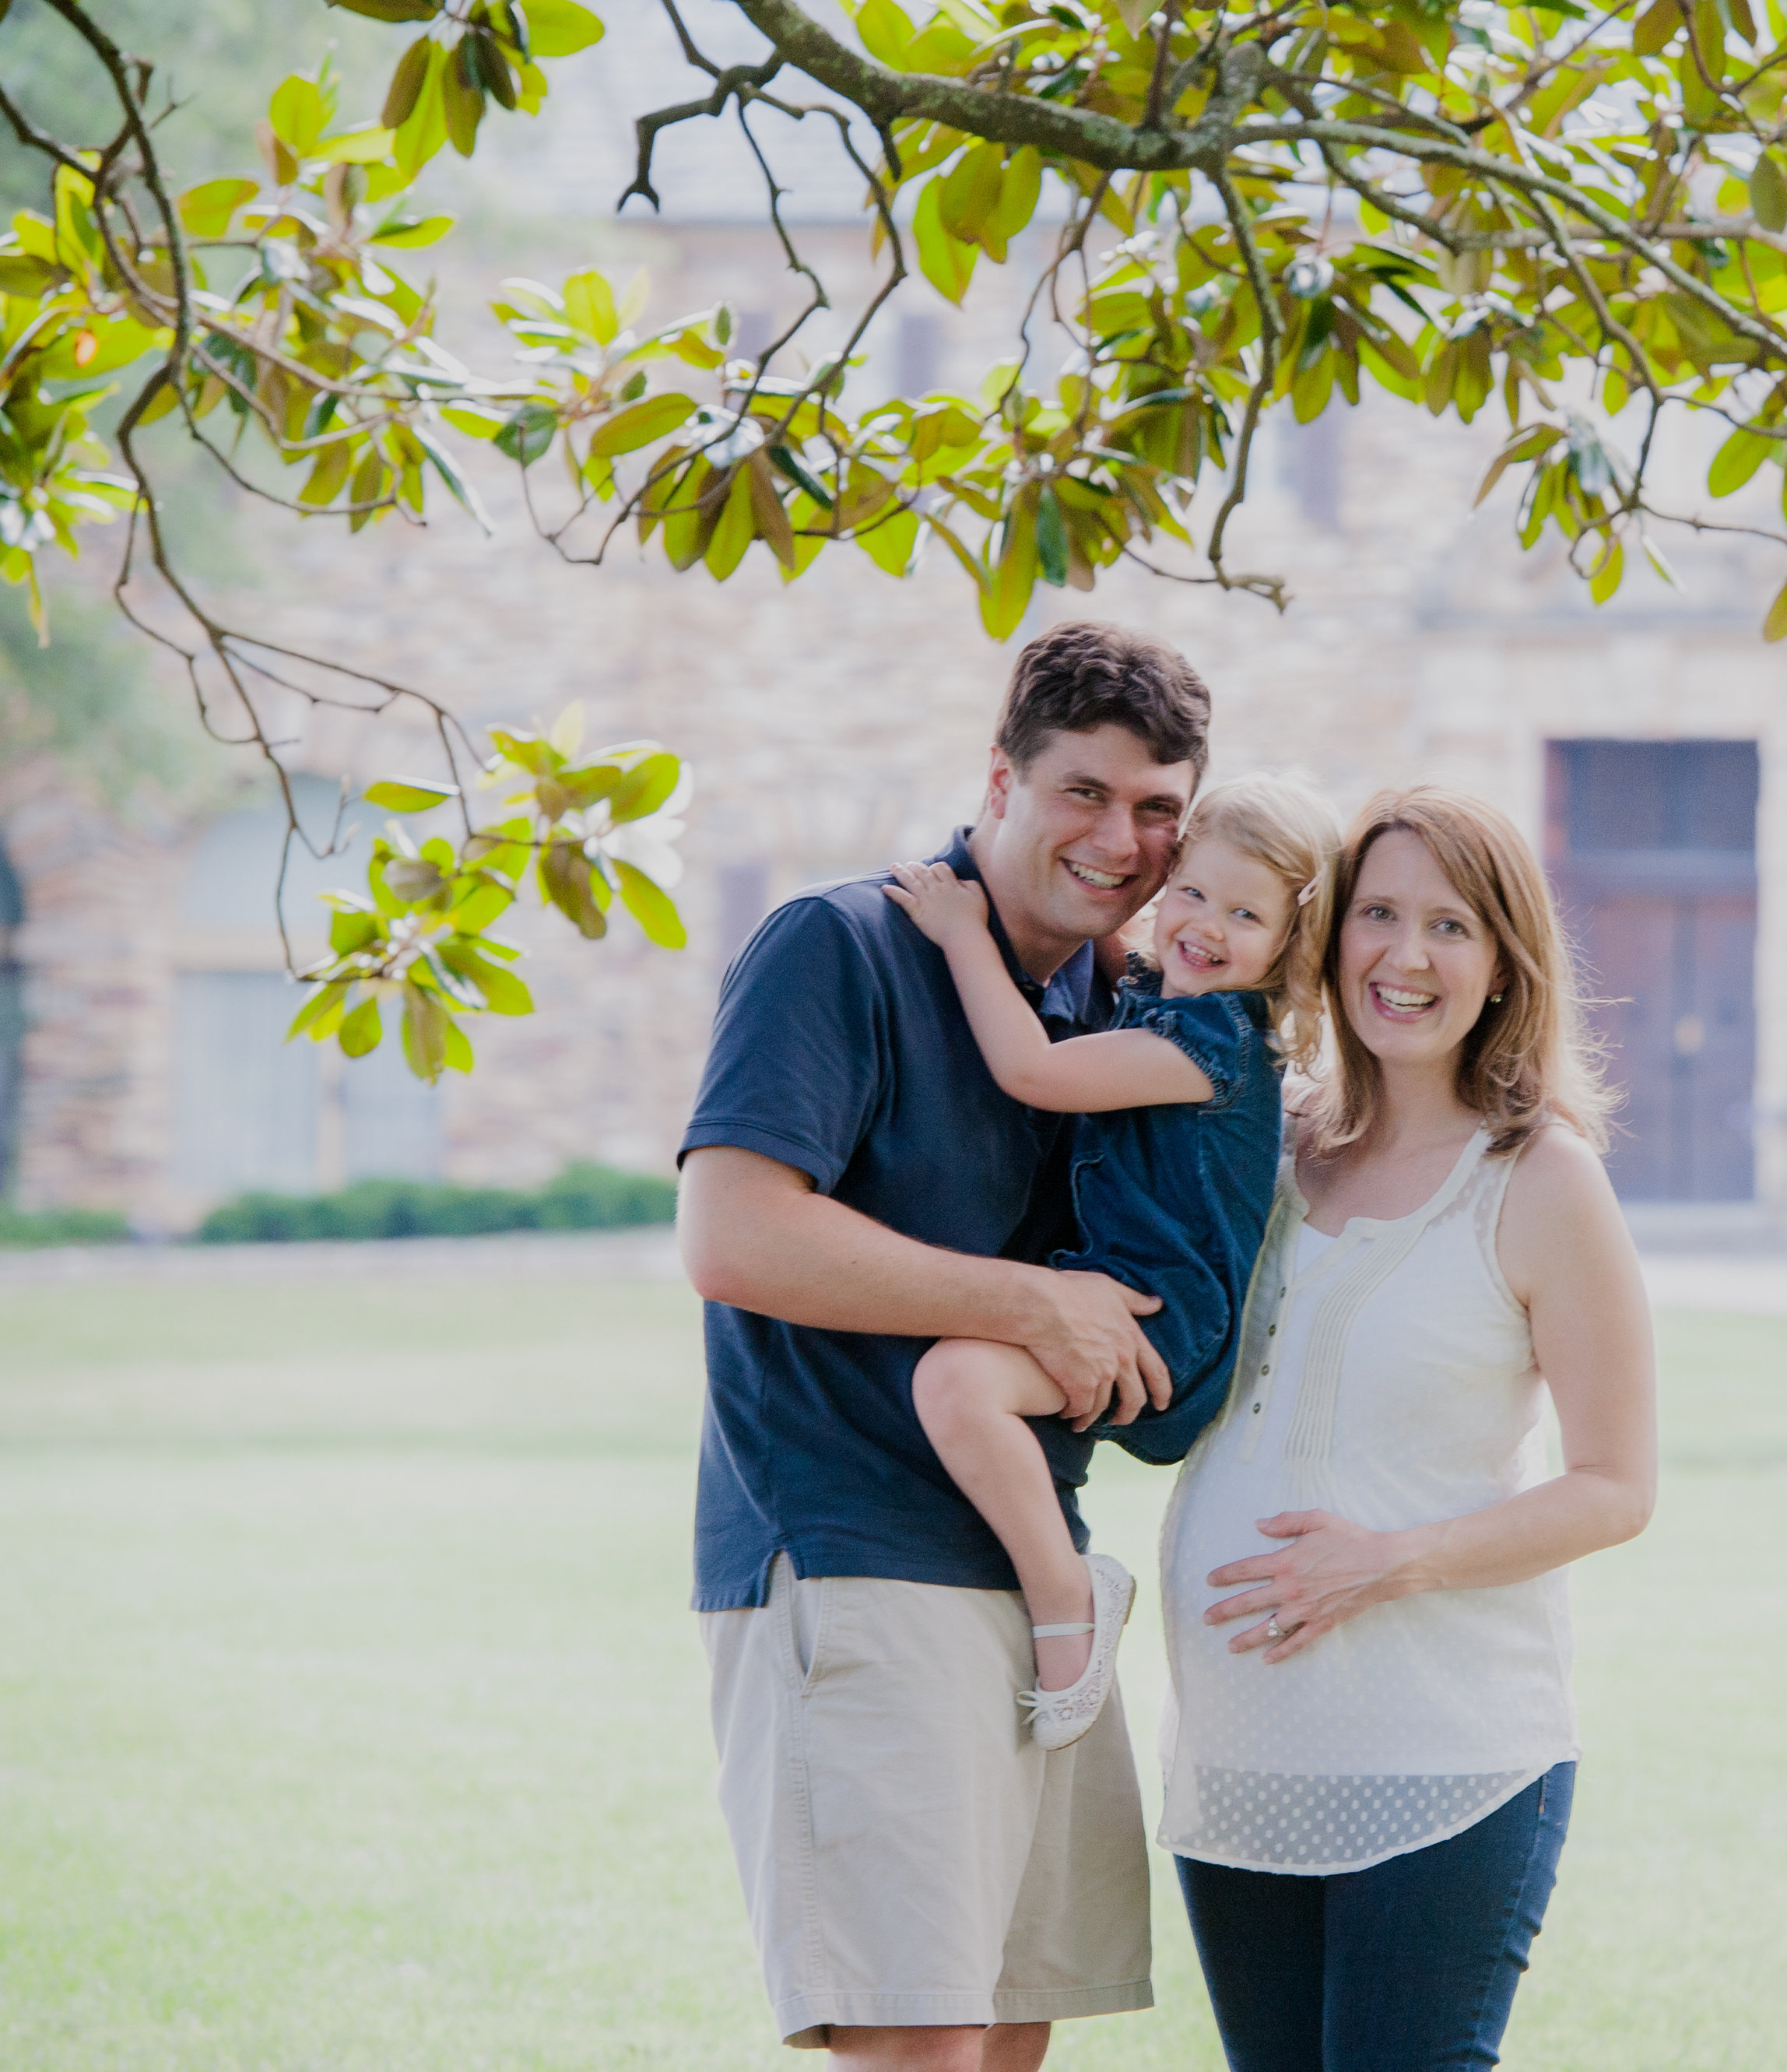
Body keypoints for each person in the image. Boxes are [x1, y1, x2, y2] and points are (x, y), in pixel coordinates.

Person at [674, 620, 1206, 2070]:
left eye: (1157, 806)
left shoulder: (1119, 1007)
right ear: (1000, 778)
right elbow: (732, 1233)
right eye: (1084, 791)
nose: (1120, 839)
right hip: (854, 1552)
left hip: (1038, 1575)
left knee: (1014, 2033)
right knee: (921, 2044)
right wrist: (1027, 1305)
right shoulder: (838, 945)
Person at [1154, 785, 1660, 2072]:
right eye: (1378, 913)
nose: (1407, 954)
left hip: (1446, 1760)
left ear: (1503, 962)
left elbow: (1616, 1485)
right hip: (1242, 1758)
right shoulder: (1266, 1140)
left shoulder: (1542, 1180)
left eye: (1451, 925)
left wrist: (1389, 1560)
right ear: (1328, 938)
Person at [881, 773, 1342, 1750]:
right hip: (1125, 1290)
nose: (1205, 925)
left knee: (956, 1385)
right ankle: (1057, 1584)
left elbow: (1032, 1071)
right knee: (958, 1384)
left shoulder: (1212, 1043)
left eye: (1245, 914)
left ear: (1290, 944)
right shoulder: (1161, 997)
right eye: (1192, 892)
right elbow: (1113, 939)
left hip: (1164, 1321)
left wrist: (963, 932)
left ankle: (1067, 1597)